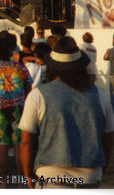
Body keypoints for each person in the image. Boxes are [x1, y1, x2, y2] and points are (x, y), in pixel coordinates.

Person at [19, 36, 114, 189]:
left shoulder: (37, 95)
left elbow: (26, 141)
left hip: (51, 176)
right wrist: (98, 170)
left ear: (52, 67)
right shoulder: (100, 97)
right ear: (81, 67)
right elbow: (108, 139)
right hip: (89, 176)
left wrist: (27, 174)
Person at [0, 37, 32, 188]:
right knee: (18, 145)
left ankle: (3, 181)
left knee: (3, 146)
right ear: (10, 51)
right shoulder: (21, 67)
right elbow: (29, 89)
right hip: (19, 109)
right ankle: (21, 182)